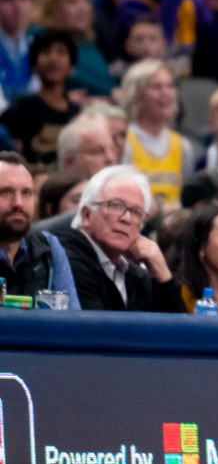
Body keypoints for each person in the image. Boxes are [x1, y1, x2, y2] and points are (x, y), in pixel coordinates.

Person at [56, 165, 183, 312]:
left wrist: (163, 276)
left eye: (136, 212)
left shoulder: (134, 273)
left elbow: (180, 332)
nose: (127, 218)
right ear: (86, 215)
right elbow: (95, 331)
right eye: (115, 206)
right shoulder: (66, 258)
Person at [0, 151, 79, 308]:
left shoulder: (49, 247)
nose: (19, 203)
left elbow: (72, 323)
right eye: (5, 192)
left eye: (27, 193)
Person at [120, 59, 197, 209]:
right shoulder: (123, 142)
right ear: (136, 94)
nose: (166, 93)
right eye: (157, 87)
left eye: (170, 86)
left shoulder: (183, 145)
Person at [0, 29, 80, 166]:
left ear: (71, 67)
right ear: (34, 65)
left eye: (61, 52)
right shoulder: (20, 110)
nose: (53, 58)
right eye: (46, 52)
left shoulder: (79, 115)